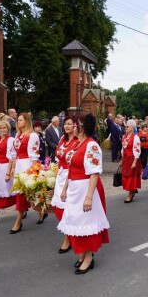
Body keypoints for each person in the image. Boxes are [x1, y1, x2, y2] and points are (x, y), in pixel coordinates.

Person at [58, 114, 109, 275]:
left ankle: (88, 257)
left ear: (84, 127)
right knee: (76, 223)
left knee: (85, 223)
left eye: (77, 125)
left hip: (85, 189)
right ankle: (82, 253)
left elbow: (94, 173)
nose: (73, 127)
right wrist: (65, 188)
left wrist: (89, 197)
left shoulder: (91, 145)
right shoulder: (77, 144)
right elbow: (70, 168)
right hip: (74, 188)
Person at [51, 116, 79, 253]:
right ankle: (68, 234)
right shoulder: (62, 139)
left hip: (71, 176)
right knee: (59, 208)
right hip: (60, 175)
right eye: (66, 124)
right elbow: (58, 156)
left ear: (75, 126)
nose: (67, 126)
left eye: (70, 124)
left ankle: (68, 239)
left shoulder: (78, 141)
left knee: (68, 208)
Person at [10, 113, 40, 232]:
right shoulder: (18, 134)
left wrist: (34, 171)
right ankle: (40, 213)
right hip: (18, 165)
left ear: (26, 121)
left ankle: (18, 220)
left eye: (21, 120)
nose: (18, 122)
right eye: (18, 120)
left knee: (24, 193)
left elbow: (34, 156)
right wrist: (13, 166)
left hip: (27, 165)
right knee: (23, 193)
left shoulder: (32, 136)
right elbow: (14, 154)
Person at [121, 119, 142, 203]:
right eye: (126, 126)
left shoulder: (135, 137)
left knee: (131, 176)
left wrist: (134, 161)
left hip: (132, 158)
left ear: (132, 127)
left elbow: (137, 150)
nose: (126, 127)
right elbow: (122, 147)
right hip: (126, 158)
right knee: (125, 176)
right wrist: (122, 157)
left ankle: (131, 192)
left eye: (127, 126)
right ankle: (132, 189)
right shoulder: (124, 136)